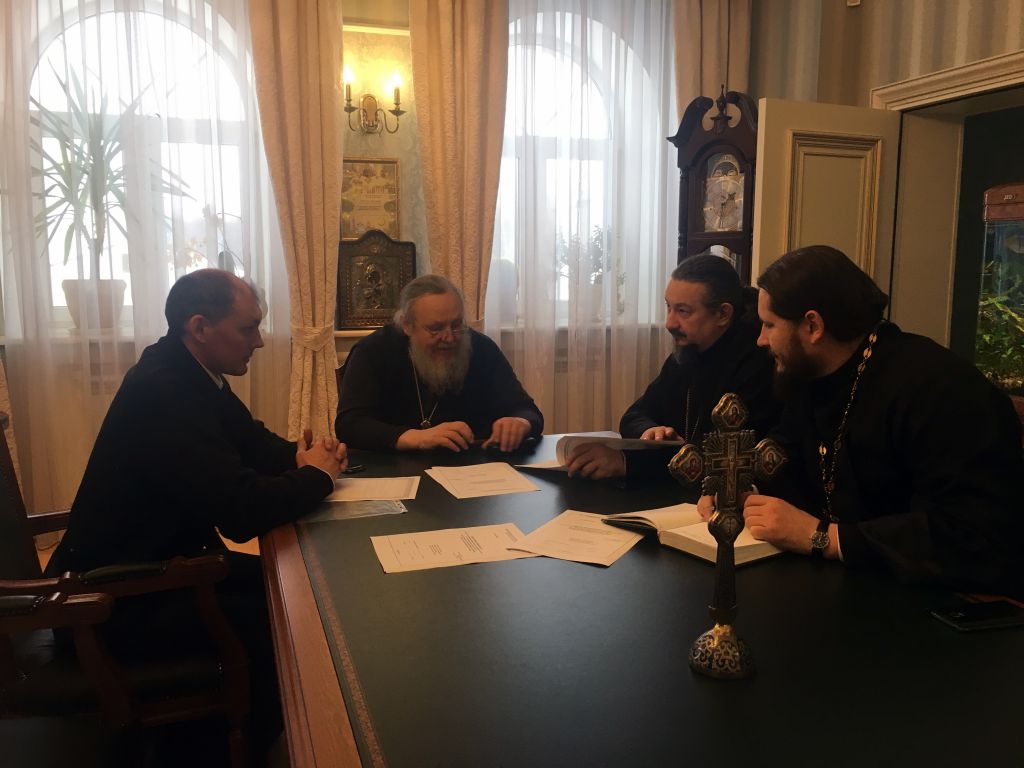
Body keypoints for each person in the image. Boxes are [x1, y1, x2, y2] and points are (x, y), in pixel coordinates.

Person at [46, 268, 347, 761]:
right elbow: (241, 512)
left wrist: (304, 456)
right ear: (200, 327)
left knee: (299, 586)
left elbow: (252, 444)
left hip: (162, 569)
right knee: (290, 615)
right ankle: (226, 749)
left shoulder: (188, 370)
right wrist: (317, 477)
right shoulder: (165, 391)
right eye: (249, 328)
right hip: (113, 600)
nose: (259, 341)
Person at [739, 244, 1023, 595]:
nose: (760, 340)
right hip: (846, 583)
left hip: (938, 601)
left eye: (769, 325)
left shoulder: (939, 387)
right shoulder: (810, 377)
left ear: (813, 325)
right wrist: (745, 492)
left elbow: (974, 534)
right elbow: (787, 455)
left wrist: (823, 537)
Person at [565, 253, 779, 480]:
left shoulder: (757, 362)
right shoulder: (687, 354)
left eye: (683, 311)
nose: (669, 323)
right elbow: (634, 415)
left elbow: (728, 459)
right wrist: (650, 431)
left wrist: (627, 463)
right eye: (669, 307)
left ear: (723, 314)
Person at [335, 274, 543, 452]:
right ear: (407, 325)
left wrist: (520, 423)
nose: (449, 337)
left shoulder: (481, 348)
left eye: (456, 324)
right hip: (395, 472)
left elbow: (526, 409)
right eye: (436, 328)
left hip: (471, 470)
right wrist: (415, 437)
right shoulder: (373, 351)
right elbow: (350, 425)